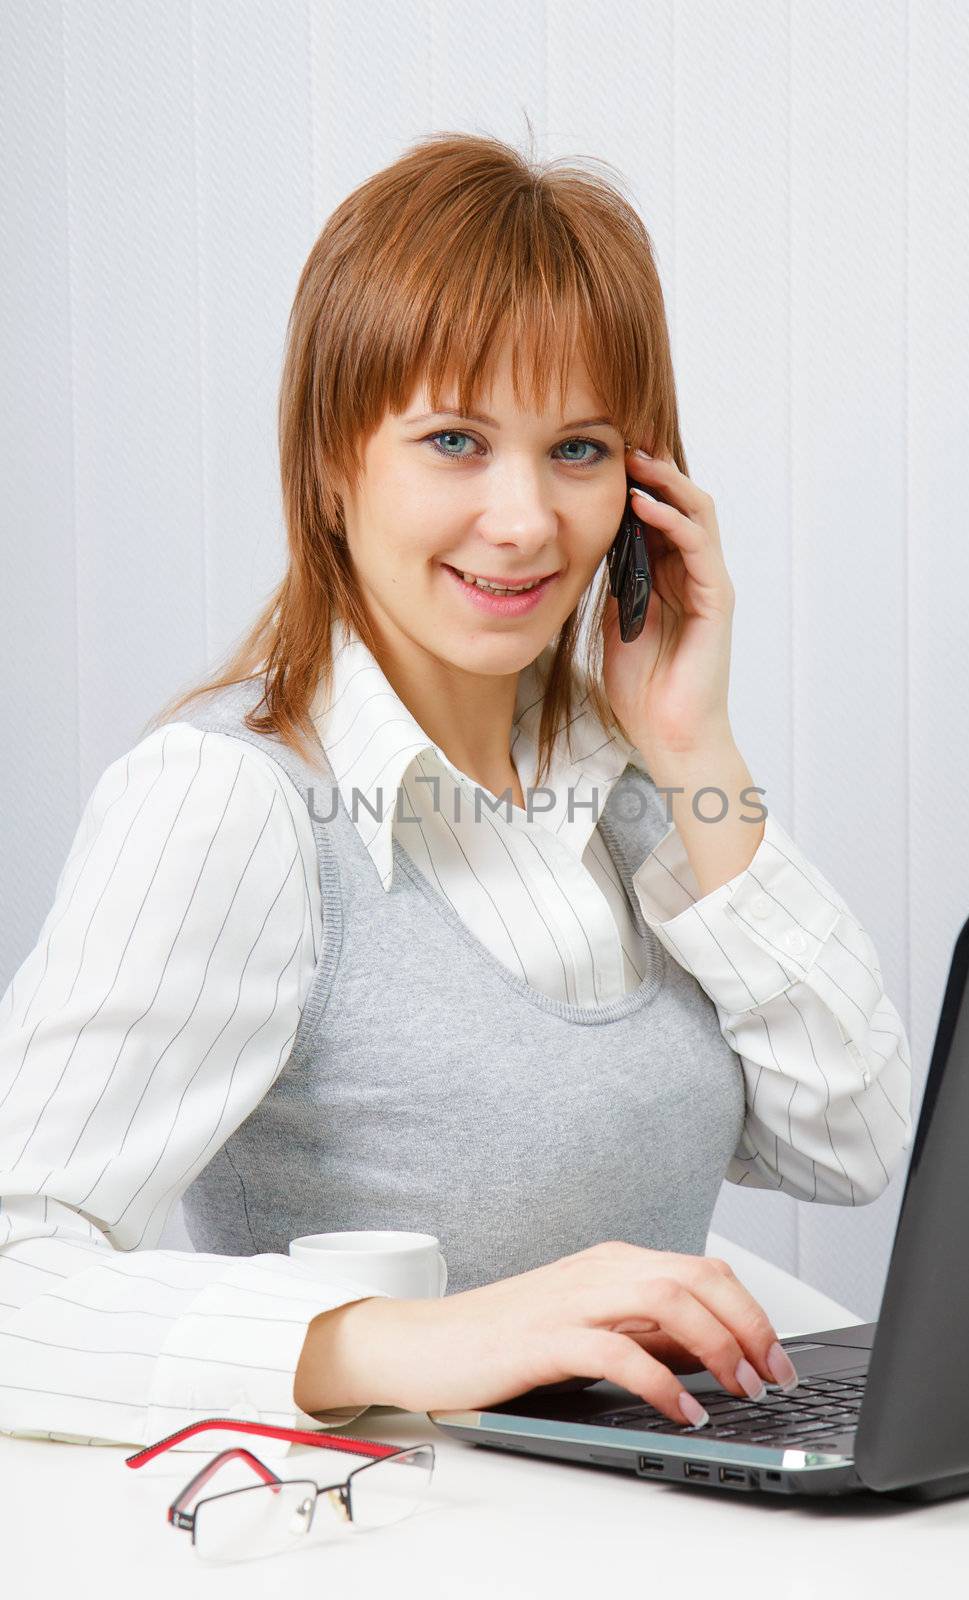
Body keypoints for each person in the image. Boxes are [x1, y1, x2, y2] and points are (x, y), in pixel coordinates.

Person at [0, 131, 912, 1451]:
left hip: (661, 1534)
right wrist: (417, 1340)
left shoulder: (634, 790)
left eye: (580, 450)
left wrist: (696, 745)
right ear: (332, 460)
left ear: (645, 486)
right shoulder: (231, 808)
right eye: (454, 440)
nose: (525, 520)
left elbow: (852, 1142)